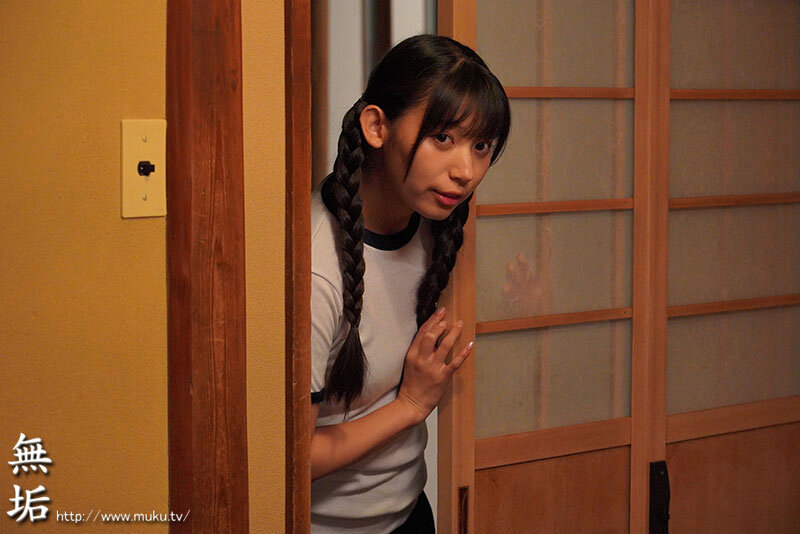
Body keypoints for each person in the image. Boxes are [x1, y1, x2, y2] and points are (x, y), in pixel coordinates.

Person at [310, 34, 511, 533]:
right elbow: (294, 458)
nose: (466, 171)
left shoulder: (436, 222)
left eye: (480, 146)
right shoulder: (315, 267)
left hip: (410, 513)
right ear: (377, 126)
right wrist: (412, 406)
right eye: (442, 138)